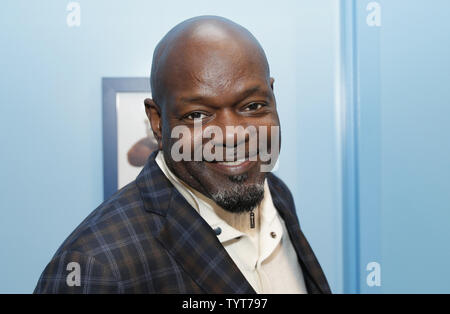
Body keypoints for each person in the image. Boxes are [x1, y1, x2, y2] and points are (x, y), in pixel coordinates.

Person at [34, 15, 330, 294]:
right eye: (198, 114)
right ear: (158, 121)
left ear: (272, 95)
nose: (231, 135)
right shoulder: (96, 266)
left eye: (253, 106)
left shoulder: (275, 193)